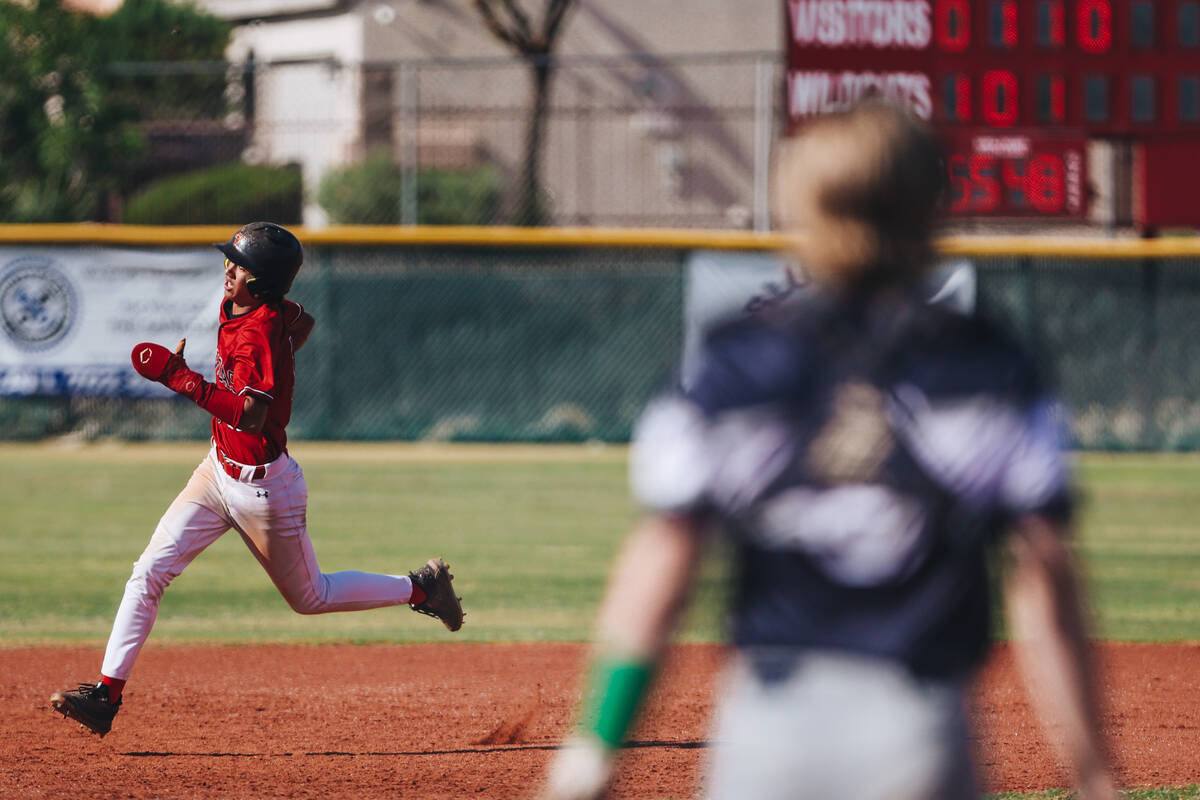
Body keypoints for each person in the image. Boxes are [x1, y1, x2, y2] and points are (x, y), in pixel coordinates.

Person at [536, 101, 1120, 800]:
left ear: (800, 201)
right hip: (918, 728)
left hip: (768, 727)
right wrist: (1092, 770)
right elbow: (1046, 578)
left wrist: (592, 751)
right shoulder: (987, 364)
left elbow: (663, 566)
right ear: (928, 204)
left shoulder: (734, 361)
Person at [50, 221, 464, 738]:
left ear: (262, 281)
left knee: (310, 597)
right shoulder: (253, 308)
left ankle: (421, 590)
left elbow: (248, 415)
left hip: (264, 488)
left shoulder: (258, 330)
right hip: (216, 470)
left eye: (239, 264)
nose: (228, 268)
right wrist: (281, 351)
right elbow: (304, 322)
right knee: (149, 571)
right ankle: (106, 696)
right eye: (231, 259)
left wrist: (180, 378)